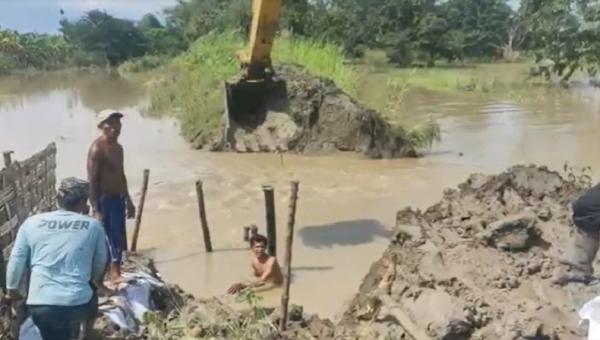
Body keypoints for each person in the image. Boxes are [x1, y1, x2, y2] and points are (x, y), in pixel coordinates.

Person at [5, 177, 110, 340]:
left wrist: (12, 291)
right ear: (83, 202)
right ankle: (87, 334)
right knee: (89, 301)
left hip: (40, 303)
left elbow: (16, 260)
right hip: (78, 303)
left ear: (58, 199)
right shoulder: (93, 225)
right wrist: (93, 281)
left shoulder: (31, 223)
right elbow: (100, 262)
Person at [87, 109, 136, 284]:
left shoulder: (118, 149)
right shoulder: (97, 149)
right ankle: (112, 274)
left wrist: (128, 200)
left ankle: (116, 270)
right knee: (108, 236)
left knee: (118, 234)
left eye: (118, 123)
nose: (115, 128)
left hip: (118, 198)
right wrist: (96, 209)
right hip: (104, 199)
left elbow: (121, 175)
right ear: (101, 126)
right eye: (111, 124)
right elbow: (92, 180)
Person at [557, 184, 600, 284]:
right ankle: (577, 273)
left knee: (586, 237)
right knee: (588, 236)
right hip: (590, 211)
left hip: (584, 207)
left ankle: (576, 270)